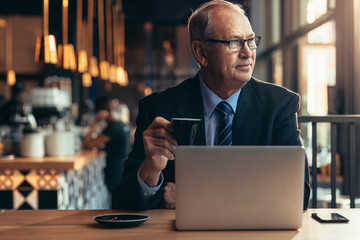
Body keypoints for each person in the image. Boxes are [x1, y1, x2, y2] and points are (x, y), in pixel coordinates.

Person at [112, 0, 310, 211]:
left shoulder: (279, 105)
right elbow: (122, 203)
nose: (248, 53)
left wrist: (196, 199)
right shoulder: (158, 109)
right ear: (201, 53)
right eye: (234, 42)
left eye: (251, 41)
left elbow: (299, 194)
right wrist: (150, 170)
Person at [83, 96, 131, 197]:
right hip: (123, 170)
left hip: (115, 172)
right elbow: (116, 146)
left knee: (116, 203)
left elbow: (87, 144)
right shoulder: (122, 125)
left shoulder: (112, 128)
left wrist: (95, 121)